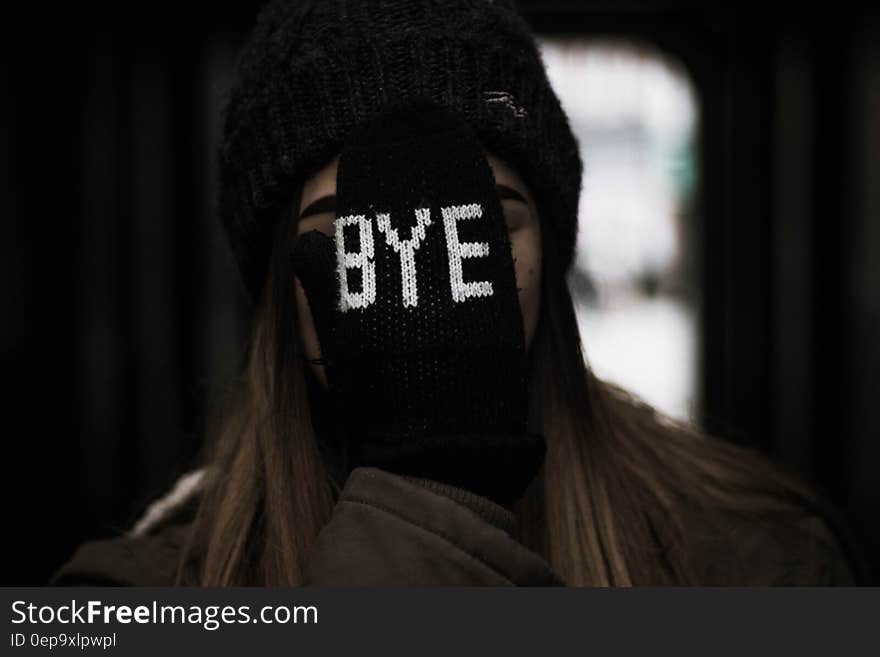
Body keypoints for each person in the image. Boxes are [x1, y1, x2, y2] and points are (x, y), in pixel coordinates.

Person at [53, 0, 862, 587]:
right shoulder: (134, 597)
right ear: (279, 285)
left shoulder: (760, 560)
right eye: (354, 232)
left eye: (474, 227)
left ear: (551, 246)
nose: (424, 283)